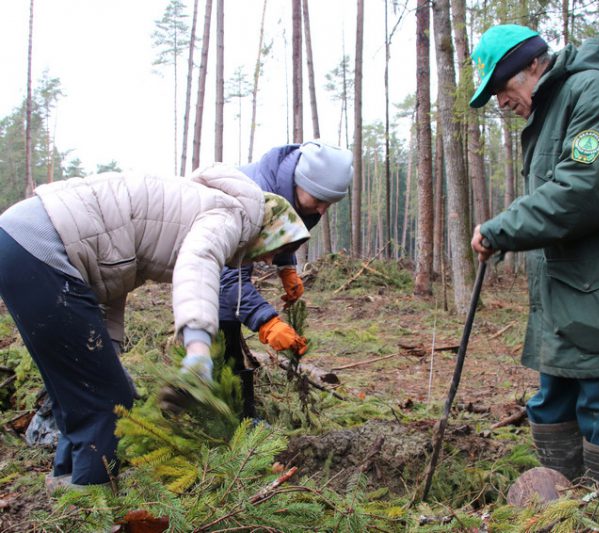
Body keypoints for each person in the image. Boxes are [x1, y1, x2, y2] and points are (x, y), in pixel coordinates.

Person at [0, 164, 310, 489]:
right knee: (109, 398)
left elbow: (107, 278)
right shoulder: (232, 216)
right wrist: (198, 349)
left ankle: (68, 486)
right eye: (274, 250)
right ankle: (90, 505)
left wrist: (108, 352)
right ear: (268, 228)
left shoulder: (193, 207)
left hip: (21, 241)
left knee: (80, 390)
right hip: (41, 245)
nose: (267, 261)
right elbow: (199, 266)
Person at [468, 25, 599, 495]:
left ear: (532, 66)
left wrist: (502, 228)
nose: (501, 103)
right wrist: (509, 232)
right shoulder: (553, 108)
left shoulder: (594, 92)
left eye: (502, 88)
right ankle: (560, 497)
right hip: (571, 280)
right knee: (556, 389)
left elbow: (585, 190)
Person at [218, 141, 353, 380]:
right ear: (301, 181)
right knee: (221, 315)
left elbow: (284, 232)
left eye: (330, 203)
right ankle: (218, 387)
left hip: (229, 258)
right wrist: (266, 321)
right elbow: (228, 277)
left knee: (229, 317)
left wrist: (286, 267)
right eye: (320, 199)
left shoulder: (302, 199)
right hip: (208, 253)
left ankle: (230, 380)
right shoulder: (254, 199)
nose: (322, 211)